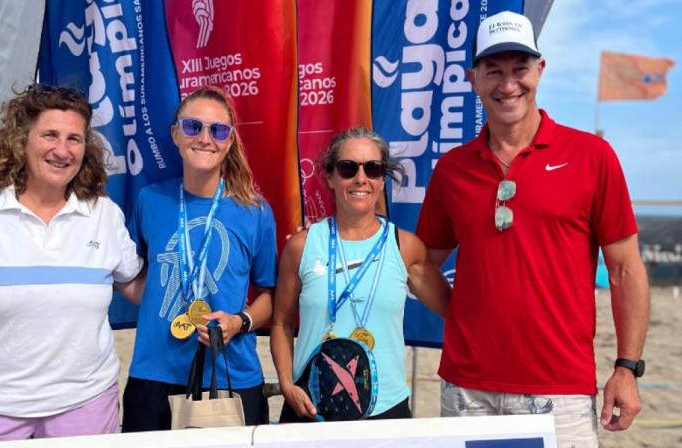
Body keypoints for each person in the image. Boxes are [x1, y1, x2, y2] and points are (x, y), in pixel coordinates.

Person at [416, 11, 650, 447]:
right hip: (468, 388)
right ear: (473, 79)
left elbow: (625, 270)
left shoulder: (592, 156)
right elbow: (421, 264)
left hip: (560, 391)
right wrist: (465, 314)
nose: (508, 85)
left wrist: (627, 367)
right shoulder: (452, 170)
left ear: (540, 71)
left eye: (520, 69)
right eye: (494, 71)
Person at [0, 84, 145, 445]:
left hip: (85, 405)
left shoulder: (103, 213)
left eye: (74, 138)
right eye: (50, 135)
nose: (62, 150)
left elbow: (135, 287)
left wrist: (185, 257)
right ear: (22, 138)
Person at [121, 86, 277, 431]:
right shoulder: (150, 200)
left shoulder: (255, 211)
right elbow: (135, 278)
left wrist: (240, 322)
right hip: (154, 373)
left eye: (218, 130)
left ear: (230, 140)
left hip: (230, 374)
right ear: (175, 133)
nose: (205, 138)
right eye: (193, 127)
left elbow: (270, 296)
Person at [270, 127, 450, 422]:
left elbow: (455, 309)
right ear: (330, 177)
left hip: (385, 410)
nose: (361, 178)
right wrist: (287, 384)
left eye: (373, 168)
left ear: (382, 180)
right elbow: (281, 322)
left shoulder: (405, 247)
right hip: (310, 405)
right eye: (348, 168)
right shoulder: (302, 246)